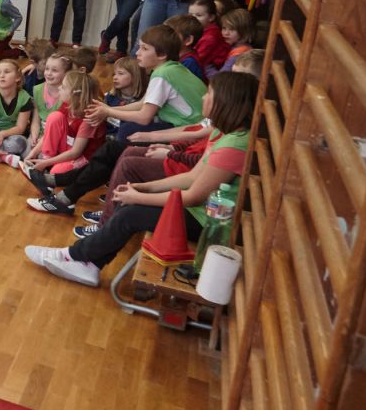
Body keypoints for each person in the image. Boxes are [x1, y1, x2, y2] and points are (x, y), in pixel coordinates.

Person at [23, 71, 258, 288]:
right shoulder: (223, 132)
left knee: (130, 214)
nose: (204, 97)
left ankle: (74, 256)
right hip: (198, 211)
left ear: (225, 102)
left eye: (210, 94)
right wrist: (144, 188)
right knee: (130, 204)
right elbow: (191, 177)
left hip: (207, 223)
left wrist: (139, 196)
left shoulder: (234, 145)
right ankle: (88, 263)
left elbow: (192, 196)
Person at [24, 24, 207, 215]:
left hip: (191, 141)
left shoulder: (163, 73)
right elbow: (143, 104)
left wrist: (108, 112)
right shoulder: (169, 70)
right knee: (113, 148)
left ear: (161, 55)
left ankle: (72, 194)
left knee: (118, 146)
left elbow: (144, 116)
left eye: (144, 48)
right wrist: (108, 110)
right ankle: (64, 190)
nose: (138, 53)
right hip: (188, 134)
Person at [19, 72, 105, 194]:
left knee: (56, 173)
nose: (59, 88)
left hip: (82, 157)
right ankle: (46, 160)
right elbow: (48, 134)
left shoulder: (89, 118)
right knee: (54, 117)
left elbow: (76, 153)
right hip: (69, 147)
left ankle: (47, 167)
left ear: (75, 94)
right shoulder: (67, 104)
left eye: (63, 87)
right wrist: (32, 154)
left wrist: (45, 163)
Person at [190, 0, 228, 72]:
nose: (193, 18)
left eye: (199, 15)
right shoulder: (199, 30)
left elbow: (196, 61)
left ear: (211, 17)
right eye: (190, 15)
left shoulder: (210, 38)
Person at [165, 14, 206, 81]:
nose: (164, 37)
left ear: (188, 40)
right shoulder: (175, 55)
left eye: (172, 34)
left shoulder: (190, 62)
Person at [215, 8, 256, 74]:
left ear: (244, 31)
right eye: (224, 28)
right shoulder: (233, 45)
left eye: (232, 29)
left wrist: (207, 66)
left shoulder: (239, 54)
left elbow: (220, 77)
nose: (226, 33)